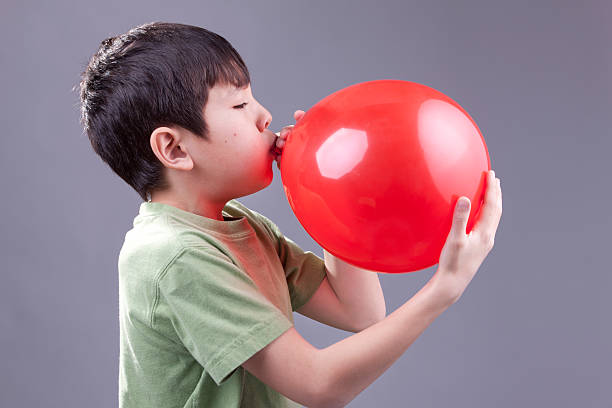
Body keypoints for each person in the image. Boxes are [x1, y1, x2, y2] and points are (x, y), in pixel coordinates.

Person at [77, 21, 502, 408]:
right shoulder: (173, 257)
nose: (264, 116)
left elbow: (360, 312)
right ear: (175, 149)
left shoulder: (239, 223)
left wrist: (336, 190)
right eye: (240, 105)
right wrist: (443, 289)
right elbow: (318, 386)